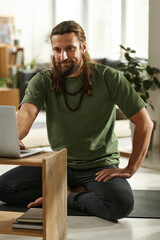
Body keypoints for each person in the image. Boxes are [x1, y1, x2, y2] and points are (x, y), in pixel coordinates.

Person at [0, 20, 153, 221]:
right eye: (57, 50)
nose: (63, 56)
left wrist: (131, 168)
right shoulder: (43, 80)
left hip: (99, 167)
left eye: (70, 48)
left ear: (83, 47)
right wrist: (12, 138)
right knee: (3, 189)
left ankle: (66, 196)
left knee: (120, 204)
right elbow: (26, 114)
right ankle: (76, 193)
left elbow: (145, 123)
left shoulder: (110, 77)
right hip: (56, 164)